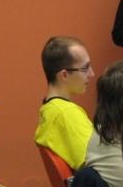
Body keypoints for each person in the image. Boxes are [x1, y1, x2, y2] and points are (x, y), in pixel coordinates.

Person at [35, 36, 95, 170]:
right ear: (64, 75)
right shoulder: (65, 113)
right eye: (85, 68)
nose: (92, 74)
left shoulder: (51, 109)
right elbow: (98, 166)